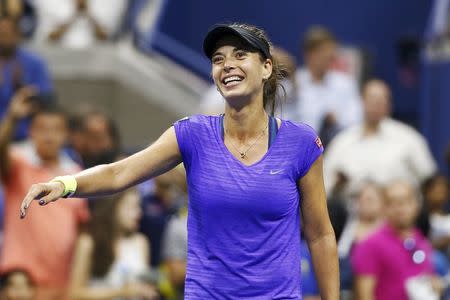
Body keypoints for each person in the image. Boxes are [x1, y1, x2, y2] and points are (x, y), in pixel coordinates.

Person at [20, 23, 339, 299]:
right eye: (218, 59)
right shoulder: (193, 134)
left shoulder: (300, 143)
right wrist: (65, 183)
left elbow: (320, 234)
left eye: (240, 55)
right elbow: (120, 173)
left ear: (266, 67)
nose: (227, 64)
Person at [0, 89, 89, 298]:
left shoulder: (76, 175)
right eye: (42, 129)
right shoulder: (19, 165)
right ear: (31, 132)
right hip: (19, 288)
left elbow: (81, 232)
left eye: (56, 129)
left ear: (66, 134)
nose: (49, 136)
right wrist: (12, 118)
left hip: (59, 288)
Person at [324, 79, 437, 198]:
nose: (376, 104)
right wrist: (338, 184)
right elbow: (324, 185)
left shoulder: (409, 139)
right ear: (361, 102)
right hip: (352, 212)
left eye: (381, 100)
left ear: (389, 104)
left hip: (397, 211)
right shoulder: (342, 142)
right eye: (371, 99)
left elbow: (430, 179)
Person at [351, 181, 441, 300]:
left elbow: (427, 275)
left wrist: (434, 285)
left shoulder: (420, 240)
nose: (400, 208)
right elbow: (364, 295)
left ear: (416, 205)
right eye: (392, 203)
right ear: (383, 208)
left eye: (405, 201)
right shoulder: (370, 245)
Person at [69, 189, 158, 299]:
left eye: (138, 207)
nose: (138, 213)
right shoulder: (88, 242)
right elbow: (75, 294)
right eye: (131, 207)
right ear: (112, 208)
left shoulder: (141, 242)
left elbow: (144, 284)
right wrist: (123, 292)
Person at [293, 26, 362, 137]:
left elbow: (356, 120)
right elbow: (283, 120)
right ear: (309, 55)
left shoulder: (346, 83)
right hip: (301, 146)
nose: (328, 58)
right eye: (323, 53)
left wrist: (336, 120)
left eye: (330, 54)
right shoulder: (294, 83)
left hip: (337, 145)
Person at [0, 14, 53, 140]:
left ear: (17, 34)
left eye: (7, 33)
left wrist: (28, 97)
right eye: (1, 33)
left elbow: (47, 98)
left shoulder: (33, 62)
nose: (3, 38)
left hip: (25, 136)